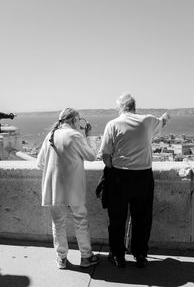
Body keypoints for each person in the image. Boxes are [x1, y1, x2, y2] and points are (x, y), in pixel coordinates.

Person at [98, 93, 170, 268]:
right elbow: (162, 122)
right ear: (134, 106)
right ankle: (139, 255)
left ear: (121, 108)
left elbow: (105, 156)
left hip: (120, 177)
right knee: (142, 218)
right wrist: (166, 117)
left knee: (117, 218)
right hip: (143, 177)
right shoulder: (147, 120)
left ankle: (117, 255)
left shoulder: (113, 124)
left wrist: (115, 166)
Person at [37, 108, 99, 269]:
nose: (80, 123)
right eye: (79, 120)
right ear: (73, 120)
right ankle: (86, 256)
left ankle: (61, 258)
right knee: (80, 221)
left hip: (53, 187)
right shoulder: (75, 135)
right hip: (73, 187)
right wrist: (89, 135)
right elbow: (92, 156)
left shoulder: (50, 135)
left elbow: (40, 163)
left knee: (58, 223)